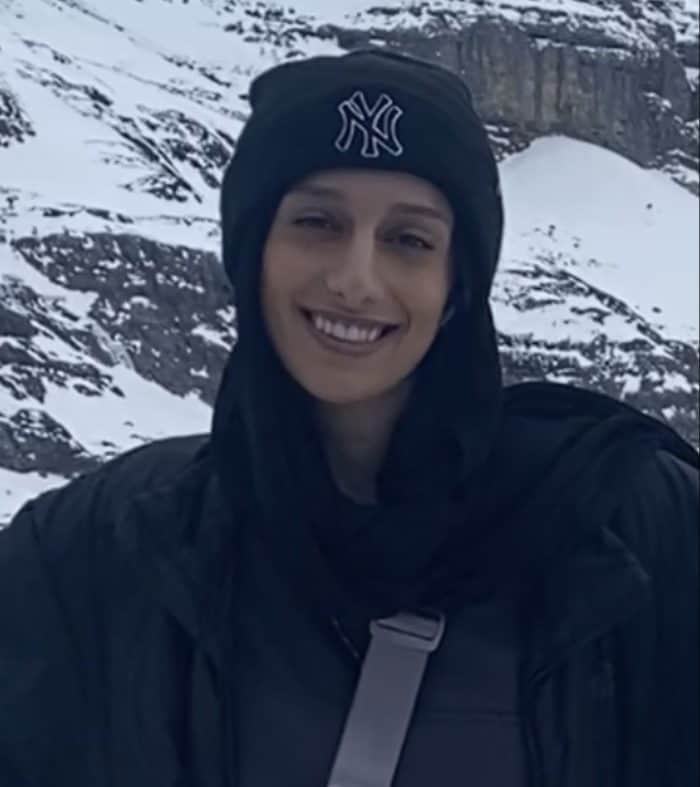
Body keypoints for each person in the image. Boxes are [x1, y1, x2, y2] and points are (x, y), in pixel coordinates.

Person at [0, 49, 697, 787]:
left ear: (457, 284)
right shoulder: (95, 554)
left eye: (409, 240)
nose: (355, 280)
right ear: (252, 252)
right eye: (317, 222)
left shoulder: (630, 532)